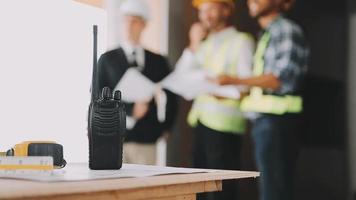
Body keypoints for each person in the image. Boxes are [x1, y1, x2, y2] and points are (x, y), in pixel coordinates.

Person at [215, 0, 309, 199]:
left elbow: (279, 78)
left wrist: (233, 79)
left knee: (274, 192)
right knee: (272, 189)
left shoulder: (285, 30)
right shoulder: (268, 33)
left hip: (277, 121)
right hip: (267, 122)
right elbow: (263, 83)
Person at [175, 0, 255, 199]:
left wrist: (216, 90)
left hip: (225, 129)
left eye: (211, 9)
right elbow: (180, 77)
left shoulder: (241, 41)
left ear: (226, 10)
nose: (205, 15)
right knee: (199, 190)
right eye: (202, 11)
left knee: (222, 193)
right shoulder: (204, 43)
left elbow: (246, 86)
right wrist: (193, 44)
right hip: (200, 123)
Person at [96, 0, 177, 165]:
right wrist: (132, 110)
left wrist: (165, 127)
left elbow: (172, 94)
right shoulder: (107, 60)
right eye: (125, 20)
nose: (128, 26)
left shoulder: (158, 61)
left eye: (134, 21)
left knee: (144, 187)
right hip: (114, 138)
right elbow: (98, 97)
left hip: (146, 139)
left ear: (143, 24)